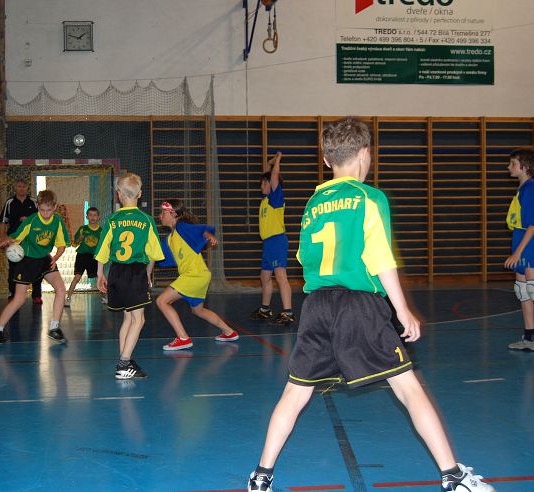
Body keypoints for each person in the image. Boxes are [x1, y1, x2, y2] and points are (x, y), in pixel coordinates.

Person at [247, 118, 494, 492]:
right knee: (408, 387)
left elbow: (303, 257)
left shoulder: (314, 203)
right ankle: (454, 477)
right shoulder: (369, 198)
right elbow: (381, 259)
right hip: (358, 305)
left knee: (294, 393)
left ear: (326, 160)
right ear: (366, 153)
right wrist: (402, 311)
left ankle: (261, 476)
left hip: (316, 305)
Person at [95, 173, 164, 379]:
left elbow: (102, 249)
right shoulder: (146, 220)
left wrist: (100, 273)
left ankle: (125, 358)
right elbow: (154, 254)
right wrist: (148, 274)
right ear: (140, 194)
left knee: (128, 317)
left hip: (116, 271)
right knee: (139, 319)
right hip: (135, 272)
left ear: (118, 195)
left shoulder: (112, 220)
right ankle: (124, 364)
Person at [0, 189, 70, 345]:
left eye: (49, 210)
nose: (45, 214)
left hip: (45, 259)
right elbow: (17, 237)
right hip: (27, 261)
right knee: (19, 299)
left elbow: (61, 244)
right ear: (38, 206)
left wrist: (56, 258)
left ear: (55, 207)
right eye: (42, 210)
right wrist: (8, 241)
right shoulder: (31, 221)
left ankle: (54, 328)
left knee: (61, 289)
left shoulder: (58, 221)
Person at [155, 199, 239, 350]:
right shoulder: (169, 239)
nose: (160, 216)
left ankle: (183, 338)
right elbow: (161, 258)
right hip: (200, 275)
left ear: (173, 214)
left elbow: (201, 230)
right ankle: (229, 332)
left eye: (163, 212)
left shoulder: (182, 228)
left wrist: (208, 235)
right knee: (198, 310)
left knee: (162, 301)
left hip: (194, 275)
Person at [250, 152, 296, 325]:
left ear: (272, 184)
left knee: (280, 276)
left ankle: (288, 312)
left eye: (264, 183)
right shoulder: (265, 199)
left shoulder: (275, 198)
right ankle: (265, 310)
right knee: (264, 277)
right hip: (268, 244)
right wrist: (269, 165)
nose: (261, 186)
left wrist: (278, 159)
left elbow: (274, 176)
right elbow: (269, 174)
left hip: (277, 241)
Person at [504, 148, 534, 351]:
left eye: (513, 163)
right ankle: (529, 338)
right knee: (523, 292)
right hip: (519, 242)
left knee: (532, 290)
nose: (509, 167)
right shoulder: (522, 189)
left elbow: (532, 225)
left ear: (525, 167)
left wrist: (518, 252)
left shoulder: (530, 189)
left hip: (529, 245)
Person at [0, 178, 43, 305]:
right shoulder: (9, 203)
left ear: (27, 188)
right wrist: (3, 239)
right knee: (13, 269)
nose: (21, 188)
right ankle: (12, 294)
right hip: (14, 241)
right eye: (19, 186)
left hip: (32, 241)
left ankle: (36, 295)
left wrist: (29, 220)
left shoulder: (34, 202)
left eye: (24, 186)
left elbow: (42, 218)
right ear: (15, 188)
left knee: (36, 267)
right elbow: (3, 222)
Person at [65, 207, 103, 306]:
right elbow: (75, 244)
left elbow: (103, 246)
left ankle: (105, 297)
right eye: (90, 215)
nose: (92, 217)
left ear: (98, 217)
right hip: (82, 256)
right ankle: (68, 298)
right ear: (87, 217)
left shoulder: (101, 231)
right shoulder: (83, 229)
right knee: (77, 277)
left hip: (94, 257)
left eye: (95, 215)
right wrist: (79, 239)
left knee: (99, 277)